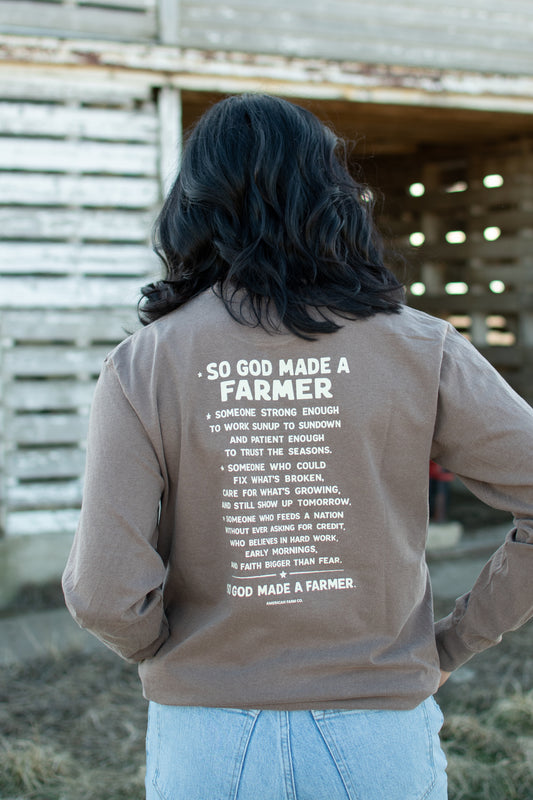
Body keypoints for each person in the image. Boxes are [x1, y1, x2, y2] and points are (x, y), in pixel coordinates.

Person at [62, 94, 533, 800]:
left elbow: (104, 594)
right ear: (332, 197)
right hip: (377, 733)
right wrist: (452, 644)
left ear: (192, 206)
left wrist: (177, 654)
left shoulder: (146, 363)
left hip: (205, 735)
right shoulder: (419, 346)